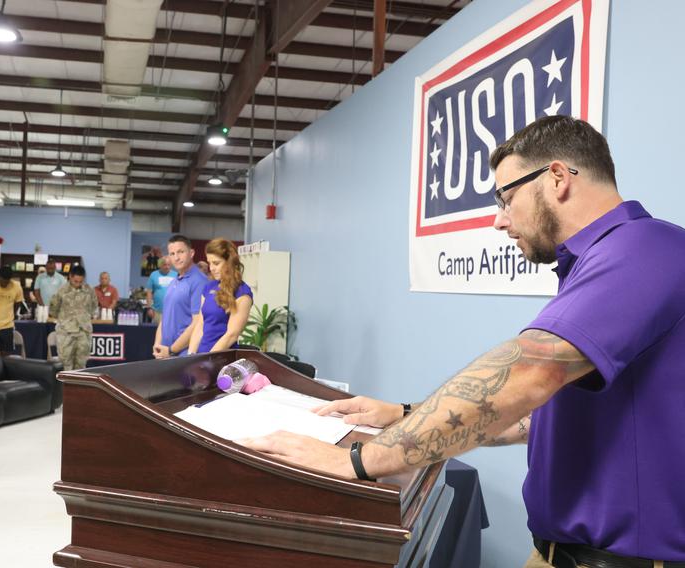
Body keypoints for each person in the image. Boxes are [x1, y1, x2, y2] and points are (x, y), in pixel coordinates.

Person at [241, 115, 685, 567]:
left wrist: (355, 461)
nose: (498, 220)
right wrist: (402, 413)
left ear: (556, 178)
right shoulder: (601, 261)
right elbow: (536, 416)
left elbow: (528, 372)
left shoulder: (642, 249)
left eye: (506, 198)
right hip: (559, 553)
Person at [188, 238, 253, 354]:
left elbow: (231, 335)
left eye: (216, 263)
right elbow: (200, 324)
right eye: (209, 263)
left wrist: (207, 359)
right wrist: (190, 356)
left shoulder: (242, 293)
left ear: (229, 262)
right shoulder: (209, 287)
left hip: (221, 359)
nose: (211, 268)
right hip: (201, 357)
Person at [153, 235, 208, 358]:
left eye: (180, 252)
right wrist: (158, 345)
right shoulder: (175, 281)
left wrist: (171, 350)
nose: (176, 258)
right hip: (166, 354)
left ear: (191, 253)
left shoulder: (199, 281)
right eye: (172, 254)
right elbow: (164, 318)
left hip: (182, 355)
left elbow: (197, 324)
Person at [48, 265, 96, 371]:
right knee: (66, 365)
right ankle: (66, 388)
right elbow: (53, 311)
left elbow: (93, 307)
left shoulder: (89, 290)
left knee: (81, 365)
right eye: (75, 281)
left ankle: (78, 387)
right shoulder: (61, 291)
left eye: (80, 282)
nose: (78, 284)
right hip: (66, 333)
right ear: (70, 276)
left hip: (83, 333)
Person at [146, 257, 177, 326]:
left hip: (172, 312)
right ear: (160, 265)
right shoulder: (154, 275)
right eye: (165, 265)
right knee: (156, 333)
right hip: (157, 311)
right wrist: (149, 307)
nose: (167, 267)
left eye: (169, 265)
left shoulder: (176, 275)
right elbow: (149, 292)